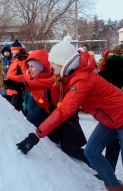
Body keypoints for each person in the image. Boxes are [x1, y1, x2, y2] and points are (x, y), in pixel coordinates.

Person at [16, 36, 123, 191]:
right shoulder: (70, 75)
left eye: (53, 62)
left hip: (120, 115)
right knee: (91, 151)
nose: (50, 65)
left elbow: (64, 111)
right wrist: (21, 85)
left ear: (63, 62)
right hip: (110, 120)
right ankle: (114, 187)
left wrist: (36, 135)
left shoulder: (82, 79)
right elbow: (47, 82)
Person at [6, 39, 29, 113]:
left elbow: (26, 75)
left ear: (18, 50)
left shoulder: (22, 60)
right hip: (12, 89)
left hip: (18, 90)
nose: (11, 51)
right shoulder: (14, 59)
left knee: (14, 113)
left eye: (13, 50)